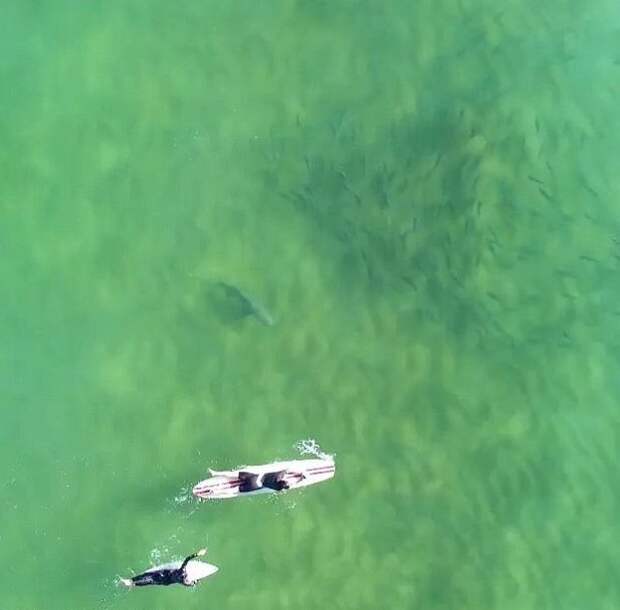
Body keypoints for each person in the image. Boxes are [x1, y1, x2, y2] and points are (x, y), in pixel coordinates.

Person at [120, 548, 207, 588]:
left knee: (147, 576)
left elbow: (187, 559)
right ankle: (133, 583)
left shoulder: (182, 570)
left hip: (162, 574)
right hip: (164, 581)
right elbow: (191, 584)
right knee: (149, 581)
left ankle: (131, 581)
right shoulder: (184, 581)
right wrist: (197, 581)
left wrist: (198, 554)